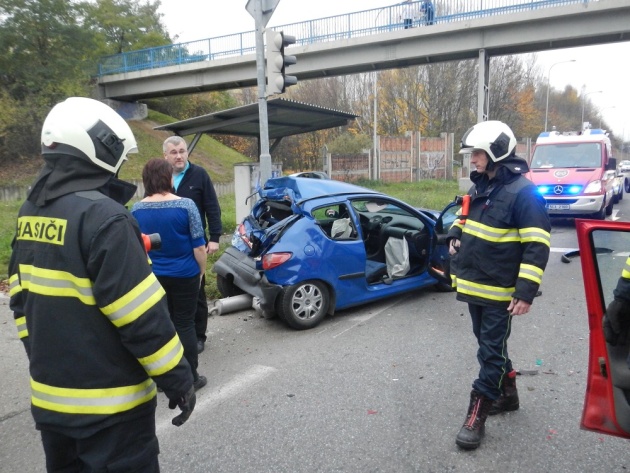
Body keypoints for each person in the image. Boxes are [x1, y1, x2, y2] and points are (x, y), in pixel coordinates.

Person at [8, 97, 196, 472]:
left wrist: (47, 361)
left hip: (52, 408)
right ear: (100, 148)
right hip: (113, 414)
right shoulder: (105, 217)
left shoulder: (31, 211)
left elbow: (20, 301)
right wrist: (178, 379)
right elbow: (141, 316)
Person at [447, 120, 551, 450]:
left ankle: (477, 413)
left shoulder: (524, 194)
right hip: (475, 284)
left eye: (477, 153)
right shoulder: (480, 186)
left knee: (489, 352)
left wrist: (525, 292)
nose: (472, 160)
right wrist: (455, 234)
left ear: (495, 153)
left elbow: (537, 245)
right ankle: (509, 395)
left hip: (499, 292)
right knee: (487, 344)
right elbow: (462, 216)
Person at [132, 158, 208, 393]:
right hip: (185, 274)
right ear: (168, 178)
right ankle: (191, 378)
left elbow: (137, 246)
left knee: (162, 327)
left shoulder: (135, 209)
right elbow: (199, 247)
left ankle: (165, 379)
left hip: (154, 276)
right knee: (185, 324)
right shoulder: (186, 206)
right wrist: (201, 273)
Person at [164, 136, 222, 354]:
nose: (179, 156)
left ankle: (198, 335)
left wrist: (215, 237)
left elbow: (212, 206)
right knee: (169, 291)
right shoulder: (161, 176)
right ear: (166, 156)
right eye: (174, 152)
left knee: (197, 290)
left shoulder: (199, 175)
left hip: (195, 244)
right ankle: (176, 334)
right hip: (168, 244)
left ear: (187, 152)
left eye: (182, 151)